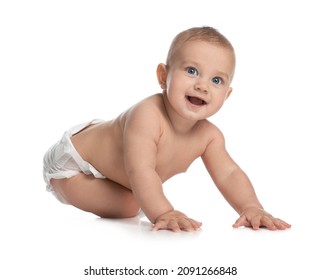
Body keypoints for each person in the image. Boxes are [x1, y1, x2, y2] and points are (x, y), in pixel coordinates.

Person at [43, 26, 291, 232]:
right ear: (164, 76)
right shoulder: (147, 116)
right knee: (138, 203)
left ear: (226, 95)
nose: (203, 86)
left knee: (133, 205)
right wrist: (164, 212)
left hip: (120, 178)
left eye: (216, 80)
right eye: (192, 71)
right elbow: (140, 170)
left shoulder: (209, 136)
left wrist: (251, 207)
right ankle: (59, 185)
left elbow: (228, 173)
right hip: (74, 163)